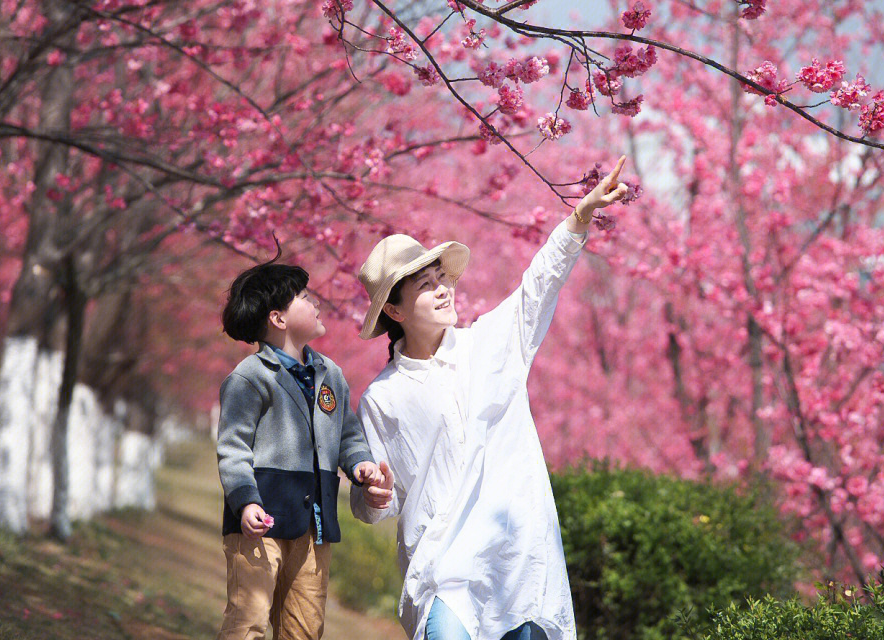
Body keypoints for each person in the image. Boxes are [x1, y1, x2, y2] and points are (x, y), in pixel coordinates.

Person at [350, 157, 631, 640]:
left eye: (442, 278)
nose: (443, 290)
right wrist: (368, 494)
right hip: (445, 568)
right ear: (393, 309)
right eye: (425, 285)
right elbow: (383, 502)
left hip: (518, 559)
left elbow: (537, 287)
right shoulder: (384, 396)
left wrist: (579, 218)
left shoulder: (490, 344)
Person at [216, 257, 389, 640]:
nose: (316, 304)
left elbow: (348, 434)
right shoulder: (250, 378)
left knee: (304, 628)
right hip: (258, 524)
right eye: (306, 298)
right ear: (278, 319)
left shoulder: (330, 374)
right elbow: (233, 448)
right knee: (249, 621)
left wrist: (359, 463)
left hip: (315, 525)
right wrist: (245, 502)